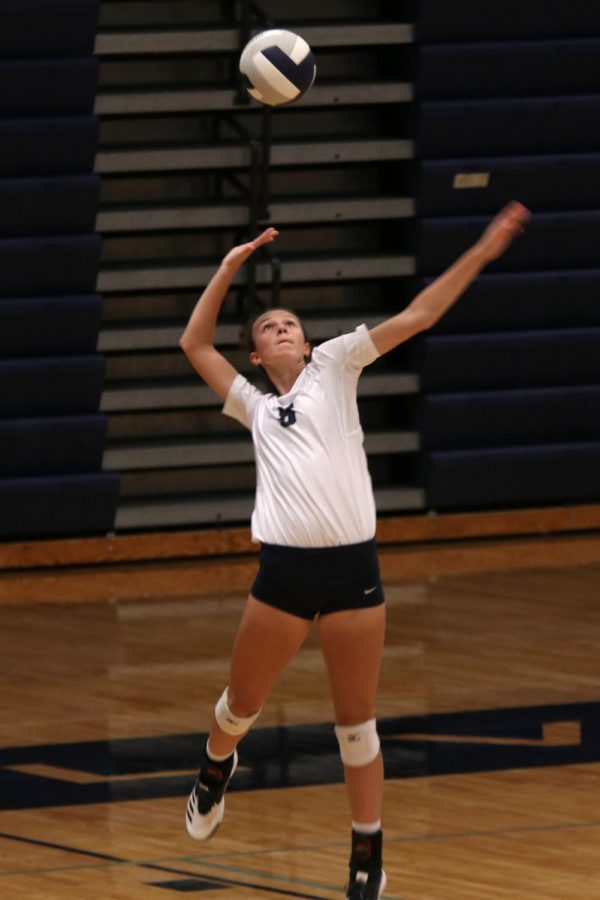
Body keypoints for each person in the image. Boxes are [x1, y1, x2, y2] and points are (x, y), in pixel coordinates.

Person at [179, 201, 530, 899]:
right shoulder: (251, 404)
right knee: (240, 708)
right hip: (282, 574)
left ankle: (367, 850)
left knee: (355, 724)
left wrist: (482, 253)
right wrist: (227, 267)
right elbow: (194, 346)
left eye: (291, 325)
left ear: (307, 344)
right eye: (269, 327)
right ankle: (216, 766)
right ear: (255, 352)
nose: (283, 330)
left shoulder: (336, 366)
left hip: (351, 572)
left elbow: (419, 316)